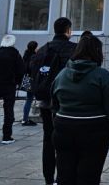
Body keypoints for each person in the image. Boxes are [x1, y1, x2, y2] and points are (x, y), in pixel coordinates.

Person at [51, 33, 109, 185]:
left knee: (65, 174)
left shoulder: (62, 74)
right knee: (89, 175)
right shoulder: (102, 75)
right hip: (94, 130)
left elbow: (54, 103)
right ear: (97, 52)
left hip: (64, 127)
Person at [30, 17, 78, 185]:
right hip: (66, 103)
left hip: (45, 101)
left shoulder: (43, 50)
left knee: (48, 140)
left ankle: (48, 178)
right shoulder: (74, 49)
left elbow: (33, 71)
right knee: (67, 142)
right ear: (68, 30)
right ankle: (62, 177)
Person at [21, 40, 40, 126]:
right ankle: (25, 119)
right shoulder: (33, 57)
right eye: (37, 47)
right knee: (30, 99)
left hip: (26, 78)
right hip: (32, 79)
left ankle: (25, 118)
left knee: (28, 99)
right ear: (34, 48)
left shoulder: (26, 55)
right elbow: (33, 69)